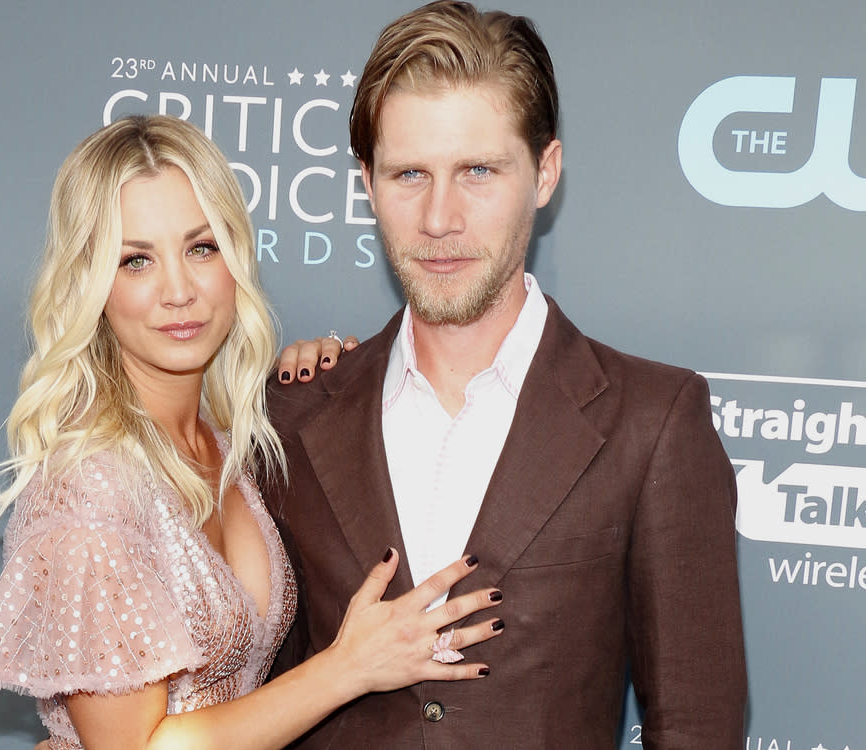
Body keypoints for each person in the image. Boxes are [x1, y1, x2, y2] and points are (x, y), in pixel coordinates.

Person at [264, 2, 747, 747]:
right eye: (409, 174)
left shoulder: (651, 421)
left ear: (545, 173)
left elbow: (698, 725)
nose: (438, 218)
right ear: (366, 181)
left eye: (478, 171)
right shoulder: (293, 412)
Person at [0, 114, 505, 750]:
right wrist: (350, 668)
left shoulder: (229, 444)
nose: (180, 291)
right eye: (136, 261)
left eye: (200, 247)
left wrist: (329, 380)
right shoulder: (91, 490)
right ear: (90, 283)